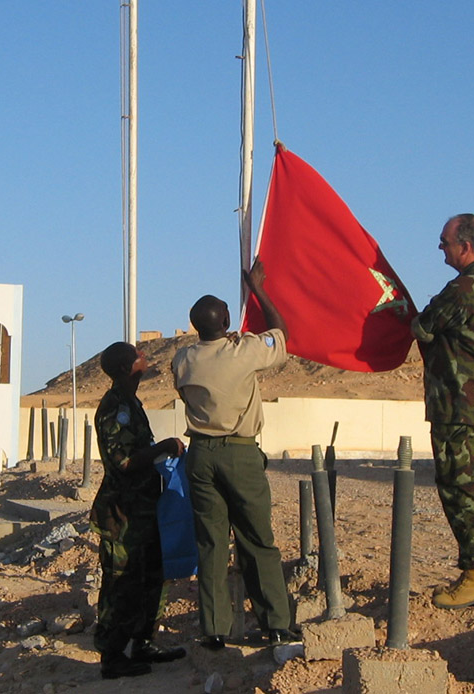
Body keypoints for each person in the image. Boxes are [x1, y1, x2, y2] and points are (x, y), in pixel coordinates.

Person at [171, 259, 301, 650]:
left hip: (201, 454)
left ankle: (213, 629)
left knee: (211, 544)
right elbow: (281, 335)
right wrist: (259, 288)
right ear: (227, 321)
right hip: (239, 453)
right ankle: (276, 623)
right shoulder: (243, 352)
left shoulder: (183, 360)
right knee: (257, 540)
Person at [410, 213, 474, 609]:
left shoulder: (464, 289)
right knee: (460, 484)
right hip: (470, 403)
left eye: (445, 242)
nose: (441, 248)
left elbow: (423, 325)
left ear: (465, 246)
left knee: (459, 488)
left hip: (459, 404)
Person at [91, 341, 187, 679]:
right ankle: (112, 654)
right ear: (123, 368)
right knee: (122, 582)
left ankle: (144, 641)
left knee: (152, 577)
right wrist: (162, 448)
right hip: (122, 514)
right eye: (137, 356)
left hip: (145, 509)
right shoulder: (114, 408)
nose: (144, 358)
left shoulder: (131, 403)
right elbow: (124, 461)